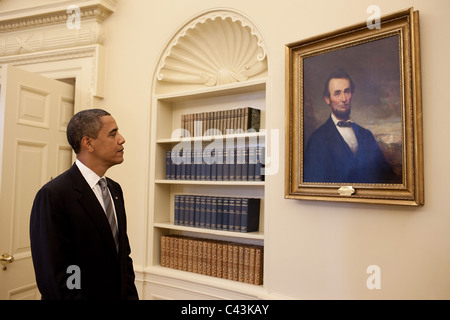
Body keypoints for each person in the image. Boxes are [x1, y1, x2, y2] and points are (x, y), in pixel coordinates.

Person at [30, 109, 139, 300]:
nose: (121, 139)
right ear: (88, 143)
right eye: (113, 134)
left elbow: (123, 259)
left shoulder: (114, 190)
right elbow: (55, 279)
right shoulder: (53, 195)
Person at [303, 69, 399, 184]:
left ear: (352, 94)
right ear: (328, 99)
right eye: (337, 93)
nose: (344, 99)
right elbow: (313, 184)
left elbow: (387, 176)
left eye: (347, 91)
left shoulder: (366, 135)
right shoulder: (316, 140)